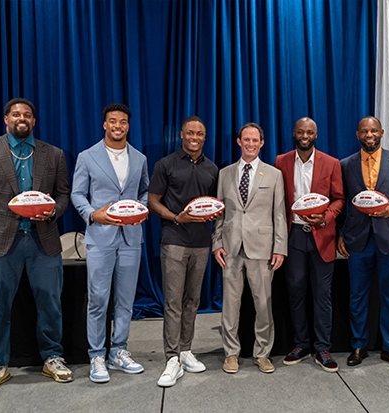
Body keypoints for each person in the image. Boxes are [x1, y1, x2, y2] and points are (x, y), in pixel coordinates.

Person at [0, 98, 73, 392]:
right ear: (6, 119)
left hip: (43, 241)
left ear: (34, 121)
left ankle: (52, 357)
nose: (22, 118)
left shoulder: (53, 155)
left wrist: (54, 211)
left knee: (50, 304)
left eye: (27, 114)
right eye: (16, 114)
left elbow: (63, 195)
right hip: (3, 243)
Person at [71, 103, 149, 383]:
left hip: (131, 239)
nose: (118, 125)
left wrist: (140, 209)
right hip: (100, 239)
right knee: (98, 300)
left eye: (123, 121)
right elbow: (77, 194)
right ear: (105, 124)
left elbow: (144, 191)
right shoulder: (87, 156)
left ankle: (119, 350)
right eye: (113, 121)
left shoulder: (139, 158)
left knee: (126, 300)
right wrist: (93, 214)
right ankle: (96, 354)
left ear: (128, 125)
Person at [337, 116, 389, 370]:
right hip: (357, 240)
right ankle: (358, 345)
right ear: (357, 135)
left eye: (373, 130)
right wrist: (340, 234)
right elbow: (341, 200)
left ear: (381, 132)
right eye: (364, 131)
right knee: (357, 296)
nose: (369, 134)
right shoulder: (346, 164)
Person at [212, 122, 288, 374]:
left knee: (263, 305)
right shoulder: (225, 174)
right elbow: (219, 215)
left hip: (263, 249)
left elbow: (279, 214)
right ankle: (231, 353)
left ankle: (262, 353)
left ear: (262, 143)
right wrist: (217, 243)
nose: (251, 144)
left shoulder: (274, 174)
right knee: (230, 305)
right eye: (246, 140)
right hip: (231, 249)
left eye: (255, 140)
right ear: (239, 142)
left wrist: (280, 248)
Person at [148, 116, 218, 387]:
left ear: (204, 136)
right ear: (181, 134)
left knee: (192, 302)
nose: (195, 137)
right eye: (190, 132)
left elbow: (212, 203)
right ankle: (171, 358)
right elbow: (153, 201)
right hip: (174, 241)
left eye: (199, 133)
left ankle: (186, 350)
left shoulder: (212, 168)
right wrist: (177, 217)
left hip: (201, 244)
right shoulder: (165, 164)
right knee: (173, 302)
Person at [274, 117, 345, 372]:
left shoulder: (331, 163)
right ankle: (301, 344)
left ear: (316, 135)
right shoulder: (281, 161)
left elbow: (339, 199)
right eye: (301, 131)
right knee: (295, 292)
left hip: (322, 236)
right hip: (293, 236)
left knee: (322, 295)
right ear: (294, 133)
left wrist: (325, 218)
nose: (305, 135)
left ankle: (323, 347)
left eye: (310, 132)